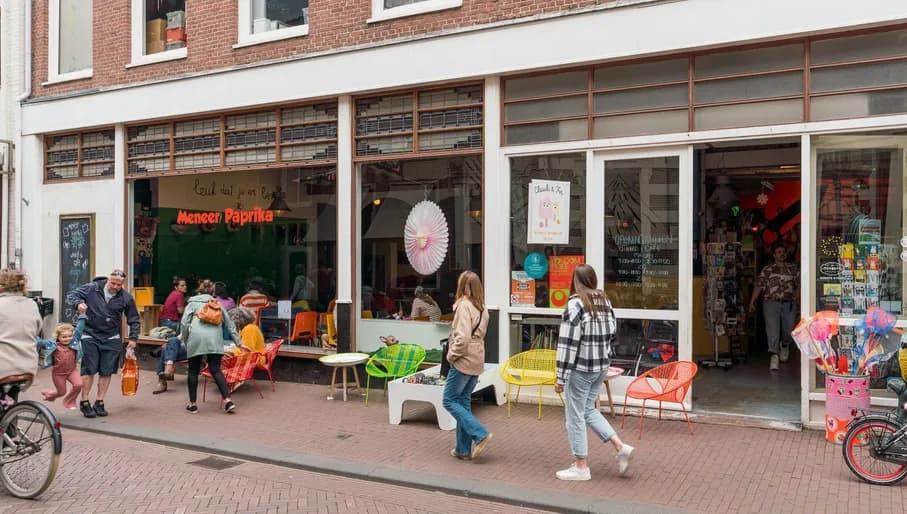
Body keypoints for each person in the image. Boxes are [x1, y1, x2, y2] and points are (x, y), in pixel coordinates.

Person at [554, 264, 633, 481]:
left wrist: (560, 376)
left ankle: (581, 466)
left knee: (575, 417)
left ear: (576, 282)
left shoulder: (575, 305)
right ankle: (620, 446)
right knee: (587, 409)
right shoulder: (605, 302)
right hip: (600, 367)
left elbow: (567, 344)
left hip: (581, 369)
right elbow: (612, 335)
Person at [67, 269, 141, 418]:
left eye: (118, 285)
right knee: (89, 369)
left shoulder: (126, 298)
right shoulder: (91, 288)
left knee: (106, 371)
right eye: (112, 283)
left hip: (111, 337)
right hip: (90, 334)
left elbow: (134, 318)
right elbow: (71, 295)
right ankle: (85, 401)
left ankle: (99, 402)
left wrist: (133, 339)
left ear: (123, 284)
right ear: (108, 279)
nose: (114, 286)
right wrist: (78, 304)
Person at [443, 271, 493, 461]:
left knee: (448, 400)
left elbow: (462, 337)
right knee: (463, 401)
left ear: (463, 286)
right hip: (477, 357)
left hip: (463, 359)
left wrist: (451, 355)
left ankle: (480, 434)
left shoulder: (464, 306)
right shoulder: (482, 308)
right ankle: (463, 450)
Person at [181, 279, 242, 414]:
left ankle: (193, 404)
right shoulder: (217, 303)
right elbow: (230, 324)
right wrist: (239, 343)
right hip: (215, 339)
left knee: (193, 371)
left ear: (198, 292)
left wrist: (185, 341)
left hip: (196, 339)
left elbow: (184, 324)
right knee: (215, 369)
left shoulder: (191, 303)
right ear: (212, 293)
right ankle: (228, 401)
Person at [748, 242, 799, 371]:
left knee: (789, 329)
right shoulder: (768, 269)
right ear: (774, 255)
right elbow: (759, 285)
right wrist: (752, 302)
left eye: (783, 252)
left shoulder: (793, 269)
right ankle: (774, 356)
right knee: (772, 330)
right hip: (770, 303)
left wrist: (799, 299)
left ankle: (785, 345)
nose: (782, 254)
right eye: (779, 252)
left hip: (789, 303)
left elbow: (799, 285)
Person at [0, 269, 42, 409]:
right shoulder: (31, 304)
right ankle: (10, 426)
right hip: (27, 366)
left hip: (4, 367)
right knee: (10, 404)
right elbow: (37, 330)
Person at [37, 313, 88, 409]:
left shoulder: (74, 341)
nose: (67, 339)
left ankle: (69, 401)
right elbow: (39, 342)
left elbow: (79, 329)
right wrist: (29, 333)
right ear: (58, 337)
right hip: (58, 373)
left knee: (79, 384)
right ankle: (50, 395)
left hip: (71, 371)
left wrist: (82, 315)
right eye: (64, 337)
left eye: (69, 336)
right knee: (61, 392)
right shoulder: (52, 345)